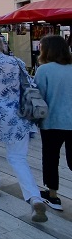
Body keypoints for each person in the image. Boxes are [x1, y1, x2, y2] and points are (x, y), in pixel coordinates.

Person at [0, 33, 47, 223]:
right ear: (0, 44)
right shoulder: (17, 62)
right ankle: (34, 197)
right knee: (18, 157)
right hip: (18, 113)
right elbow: (29, 84)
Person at [34, 35, 72, 211]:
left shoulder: (44, 70)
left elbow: (38, 96)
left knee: (50, 157)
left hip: (52, 121)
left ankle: (53, 195)